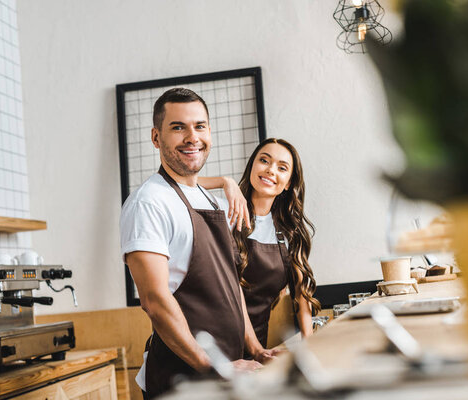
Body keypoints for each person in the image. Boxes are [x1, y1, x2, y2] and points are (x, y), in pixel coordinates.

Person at [120, 88, 275, 398]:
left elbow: (230, 286)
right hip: (184, 382)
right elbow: (155, 301)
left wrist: (256, 349)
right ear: (155, 137)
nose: (192, 137)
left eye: (200, 126)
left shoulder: (213, 202)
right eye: (178, 127)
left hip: (228, 374)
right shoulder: (148, 203)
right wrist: (215, 365)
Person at [200, 138, 321, 348]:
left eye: (282, 167)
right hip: (208, 344)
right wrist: (225, 182)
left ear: (289, 183)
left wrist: (309, 345)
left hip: (256, 349)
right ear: (252, 167)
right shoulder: (222, 212)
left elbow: (301, 297)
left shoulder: (288, 233)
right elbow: (179, 183)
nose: (270, 170)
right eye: (264, 160)